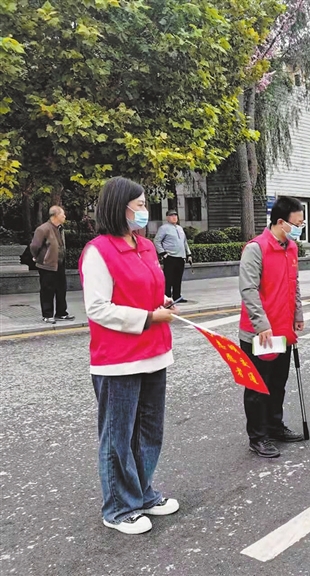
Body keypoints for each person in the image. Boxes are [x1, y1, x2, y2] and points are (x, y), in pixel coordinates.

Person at [79, 177, 179, 535]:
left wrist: (160, 303)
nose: (143, 211)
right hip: (118, 359)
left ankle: (143, 493)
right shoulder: (99, 251)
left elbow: (147, 291)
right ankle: (118, 507)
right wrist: (149, 317)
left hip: (154, 352)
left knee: (149, 432)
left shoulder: (146, 246)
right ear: (119, 207)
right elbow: (98, 308)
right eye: (138, 205)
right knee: (117, 436)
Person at [239, 196, 306, 459]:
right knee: (258, 386)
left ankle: (274, 425)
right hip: (261, 332)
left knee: (278, 382)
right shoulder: (256, 248)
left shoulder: (291, 248)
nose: (300, 227)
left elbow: (295, 283)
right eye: (298, 223)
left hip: (283, 330)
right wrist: (261, 324)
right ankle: (258, 436)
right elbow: (248, 289)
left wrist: (297, 314)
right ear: (281, 222)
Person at [29, 206, 74, 324]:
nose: (65, 216)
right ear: (55, 215)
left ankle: (61, 313)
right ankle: (47, 315)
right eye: (62, 214)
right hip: (47, 265)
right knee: (47, 289)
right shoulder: (43, 229)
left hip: (59, 264)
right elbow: (34, 246)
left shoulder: (60, 228)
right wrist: (39, 257)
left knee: (61, 289)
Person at [154, 209, 192, 303]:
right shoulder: (164, 228)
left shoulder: (180, 228)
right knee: (169, 278)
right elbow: (157, 241)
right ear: (167, 218)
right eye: (171, 215)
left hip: (181, 257)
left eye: (175, 215)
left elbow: (185, 242)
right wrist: (163, 253)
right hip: (170, 257)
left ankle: (177, 296)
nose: (174, 217)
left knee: (178, 278)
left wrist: (189, 254)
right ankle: (167, 297)